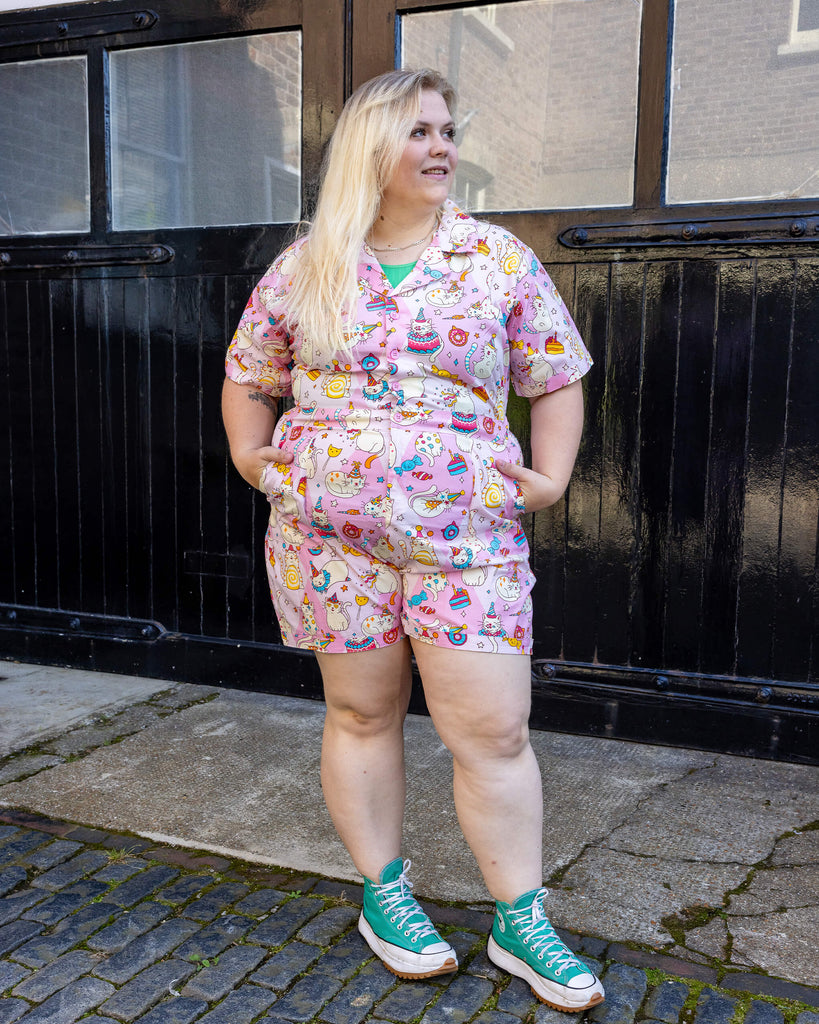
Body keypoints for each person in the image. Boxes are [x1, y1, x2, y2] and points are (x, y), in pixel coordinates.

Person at [222, 68, 604, 1012]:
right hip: (328, 538)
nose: (441, 147)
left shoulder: (496, 260)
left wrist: (550, 478)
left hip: (465, 535)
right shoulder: (305, 263)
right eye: (417, 132)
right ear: (369, 149)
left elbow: (553, 374)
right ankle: (384, 895)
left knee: (493, 729)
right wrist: (251, 458)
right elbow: (248, 372)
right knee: (360, 715)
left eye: (445, 130)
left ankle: (520, 920)